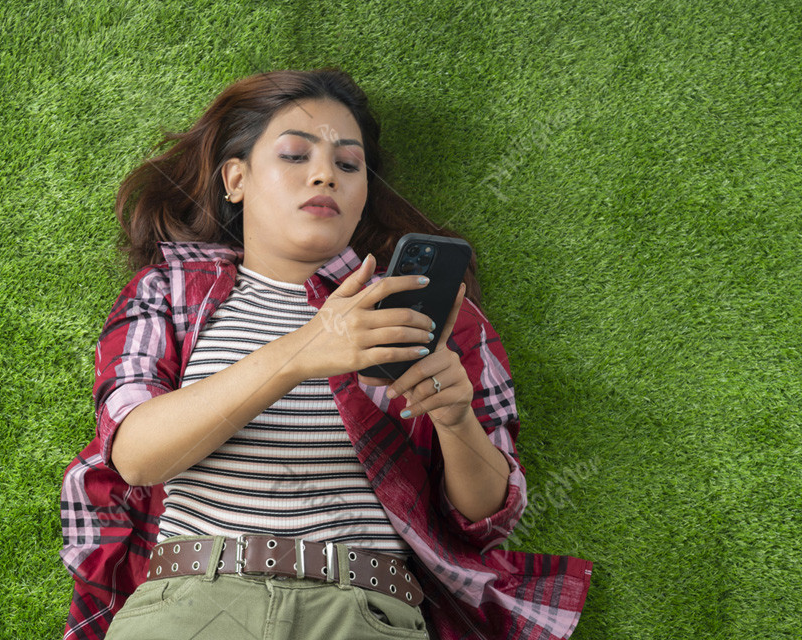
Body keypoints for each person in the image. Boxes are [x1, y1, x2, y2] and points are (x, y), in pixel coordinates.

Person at [60, 67, 592, 640]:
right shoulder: (168, 292)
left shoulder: (431, 313)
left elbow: (489, 517)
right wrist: (306, 349)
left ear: (364, 194)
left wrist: (456, 420)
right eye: (295, 155)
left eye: (348, 164)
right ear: (235, 179)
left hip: (367, 610)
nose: (324, 175)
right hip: (191, 603)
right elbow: (136, 456)